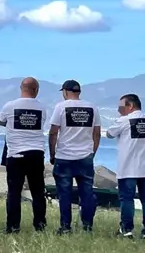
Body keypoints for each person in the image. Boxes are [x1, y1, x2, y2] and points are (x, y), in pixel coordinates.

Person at [106, 94, 145, 240]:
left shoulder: (124, 120)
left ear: (130, 106)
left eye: (121, 107)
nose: (119, 110)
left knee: (127, 199)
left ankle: (126, 229)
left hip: (128, 167)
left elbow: (109, 134)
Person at [48, 79, 101, 234]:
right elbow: (97, 133)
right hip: (85, 157)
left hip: (64, 156)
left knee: (64, 194)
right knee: (87, 193)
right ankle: (87, 227)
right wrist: (92, 153)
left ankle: (65, 227)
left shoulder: (61, 107)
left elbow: (53, 132)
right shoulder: (92, 107)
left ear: (65, 92)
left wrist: (52, 154)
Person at [0, 76, 48, 234]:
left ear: (21, 88)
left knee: (14, 192)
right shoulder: (42, 108)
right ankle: (40, 225)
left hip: (16, 154)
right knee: (38, 192)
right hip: (36, 153)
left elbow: (1, 121)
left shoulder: (10, 106)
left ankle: (13, 226)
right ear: (36, 90)